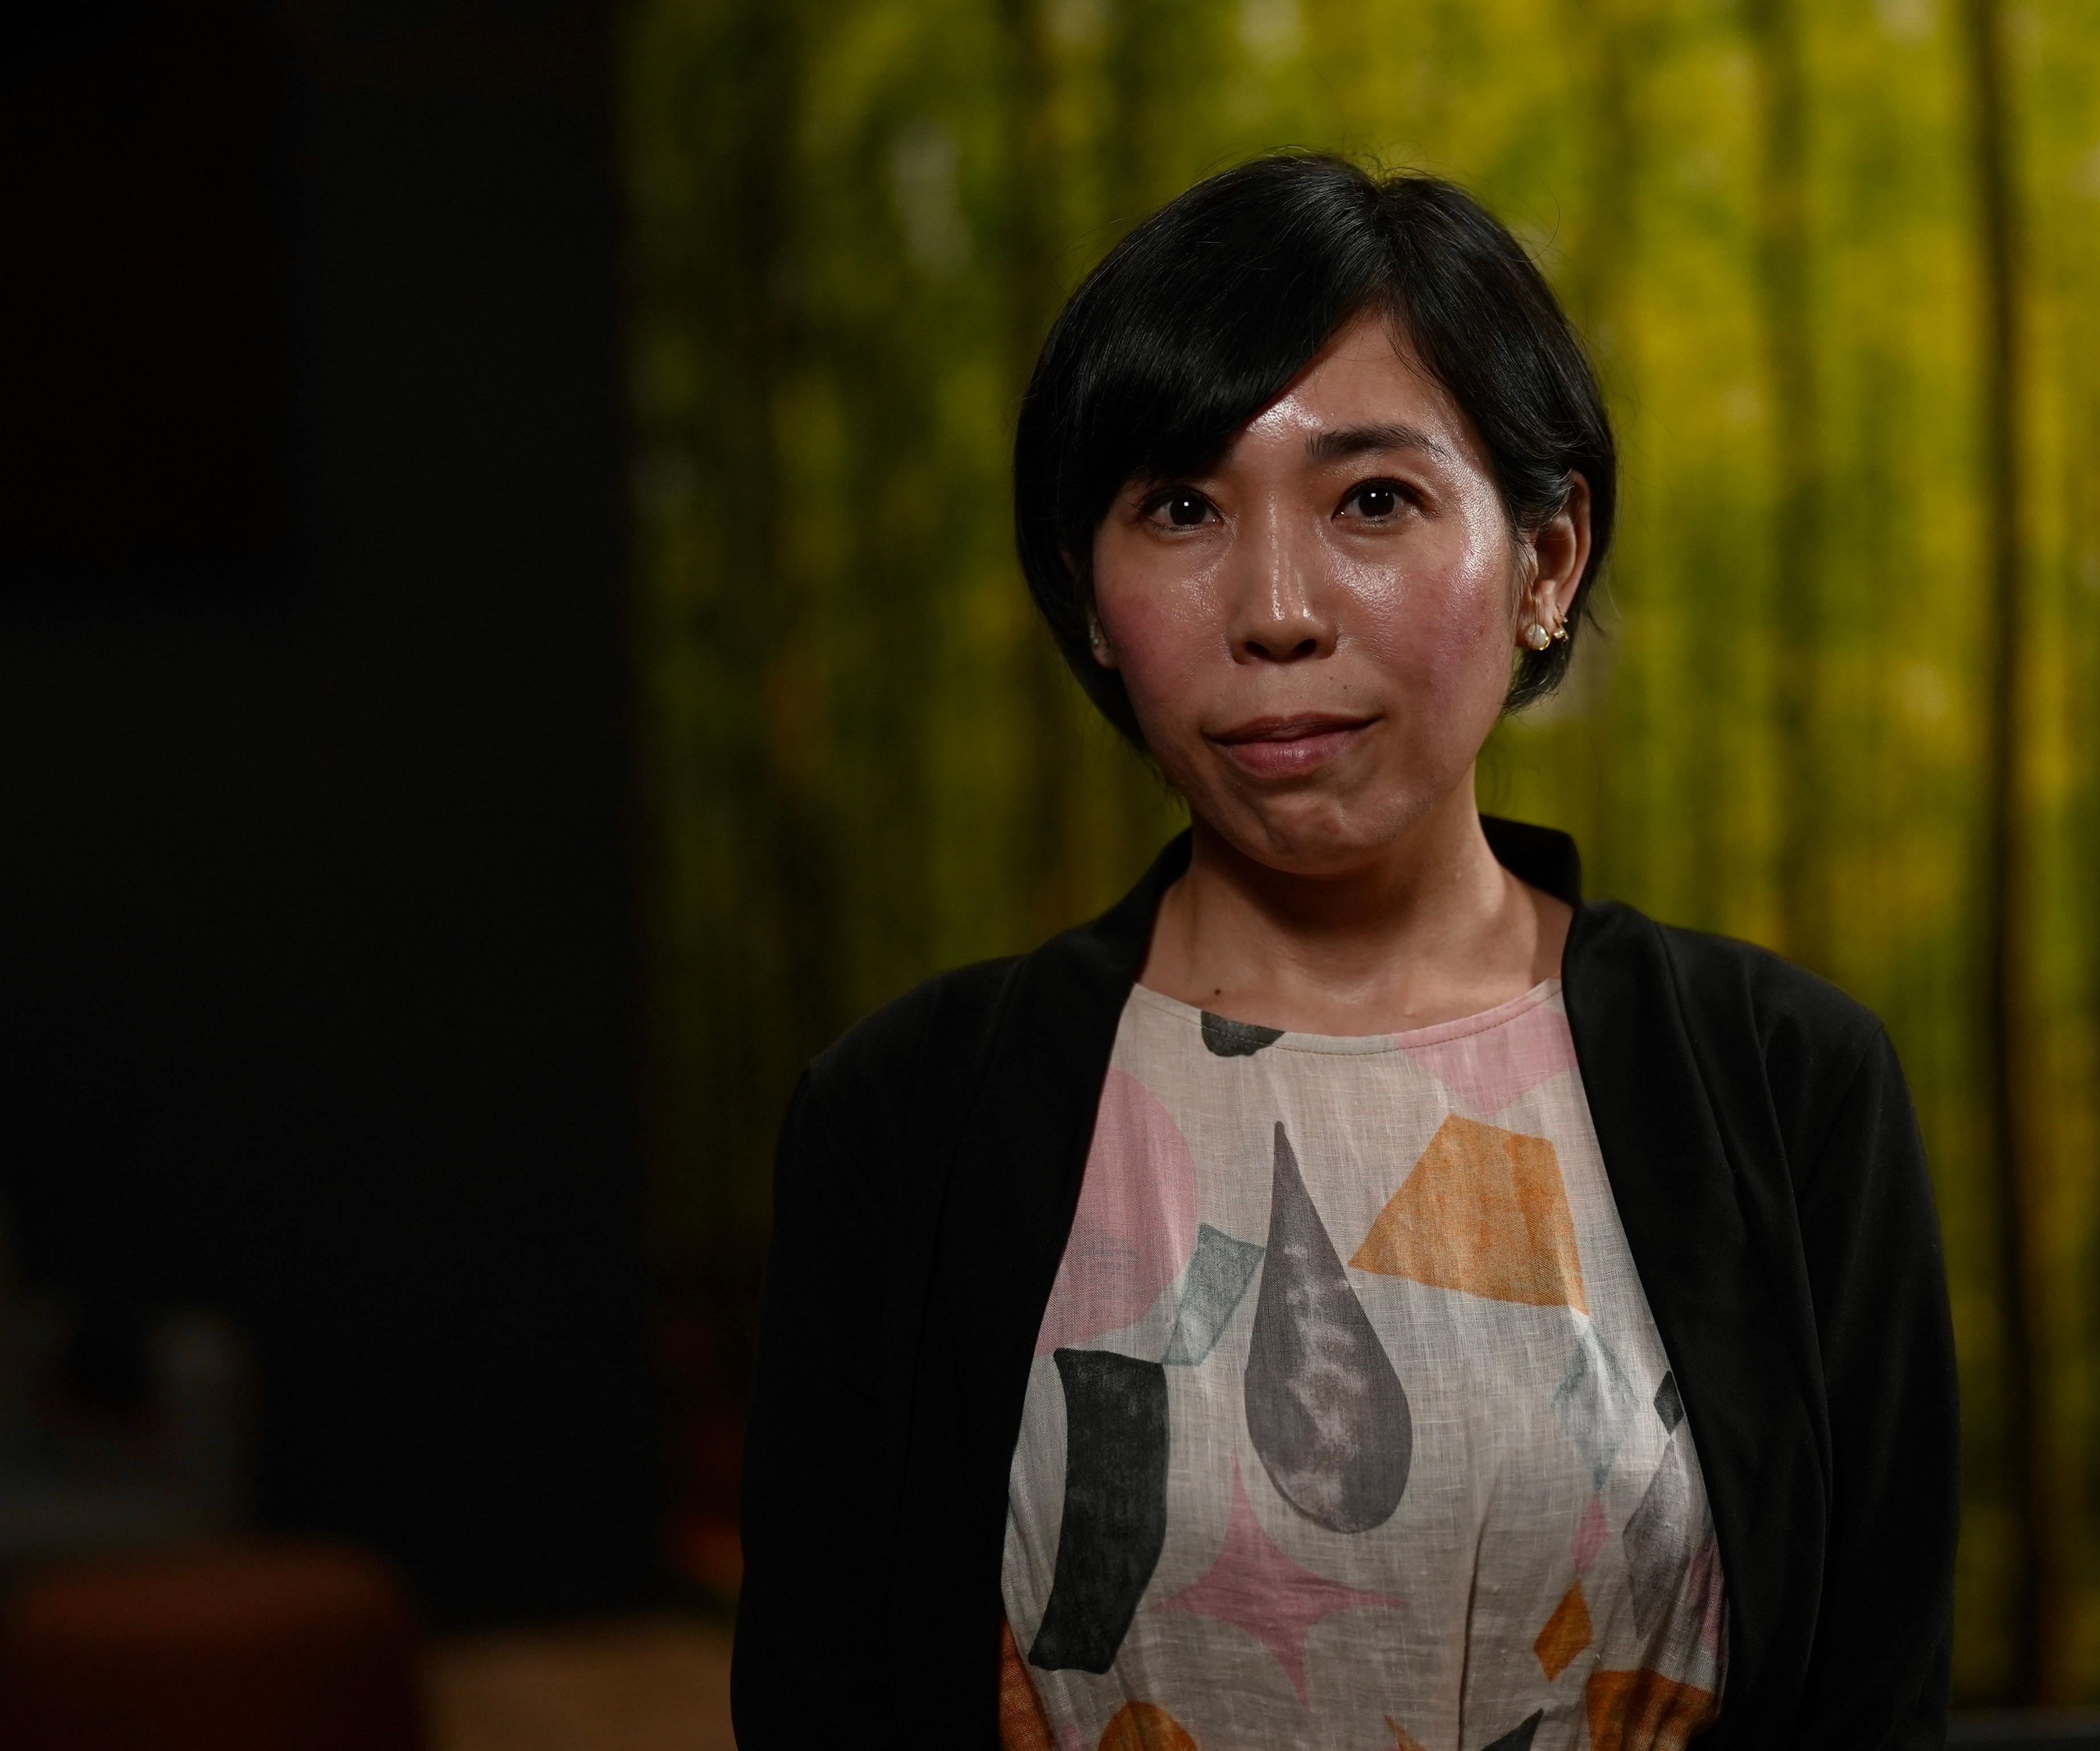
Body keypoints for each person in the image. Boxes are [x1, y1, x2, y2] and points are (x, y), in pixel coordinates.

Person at [731, 152, 1956, 1751]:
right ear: (1090, 600)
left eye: (1373, 499)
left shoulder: (1787, 1090)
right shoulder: (905, 1117)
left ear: (1547, 557)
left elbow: (1871, 1707)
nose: (1279, 609)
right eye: (1180, 507)